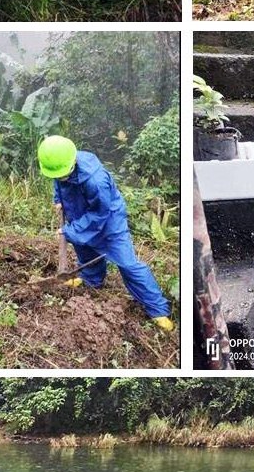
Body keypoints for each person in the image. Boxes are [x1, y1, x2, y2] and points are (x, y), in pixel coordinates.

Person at [39, 136, 173, 330]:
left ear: (73, 162)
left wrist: (70, 230)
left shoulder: (95, 180)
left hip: (109, 221)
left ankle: (158, 309)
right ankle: (91, 280)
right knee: (84, 247)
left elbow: (100, 213)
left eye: (62, 174)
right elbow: (59, 183)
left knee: (127, 263)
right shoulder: (60, 165)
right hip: (79, 214)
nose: (60, 178)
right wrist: (58, 199)